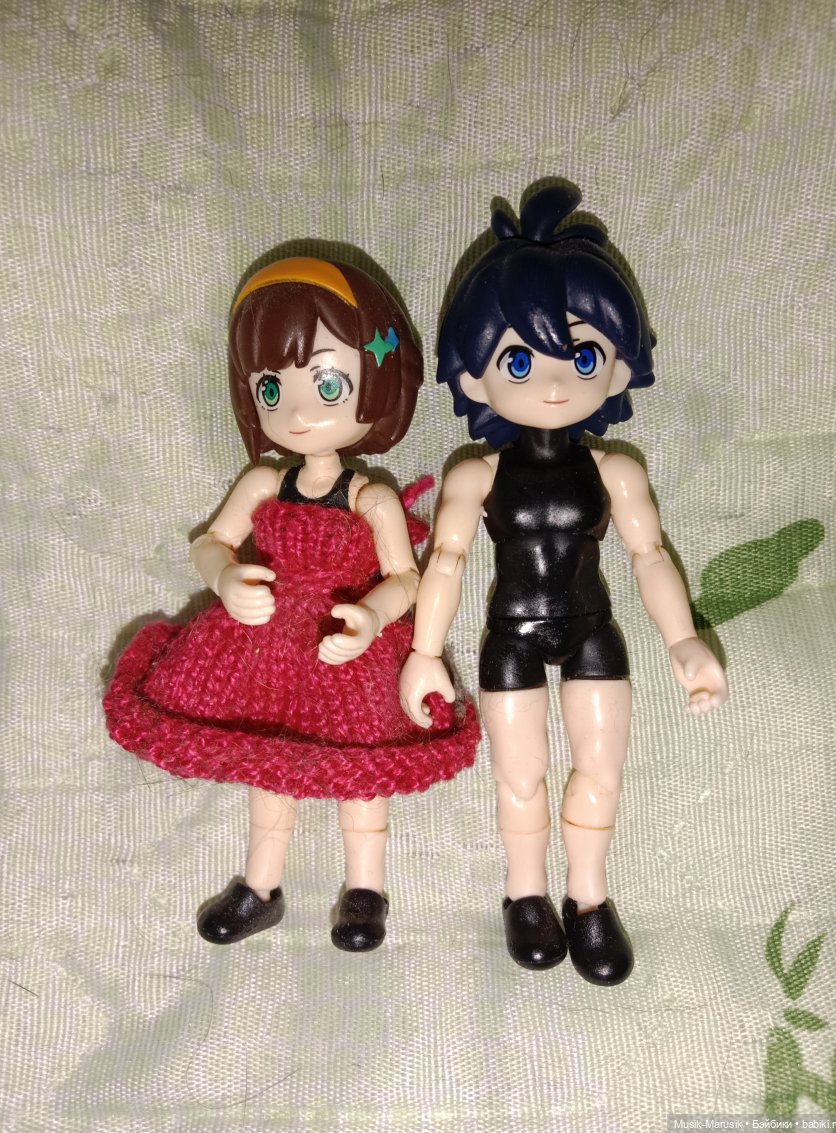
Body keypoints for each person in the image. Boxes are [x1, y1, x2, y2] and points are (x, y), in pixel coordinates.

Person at [399, 184, 728, 981]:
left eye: (581, 357)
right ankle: (525, 894)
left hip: (590, 628)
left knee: (600, 769)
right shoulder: (476, 474)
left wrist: (683, 639)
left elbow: (651, 557)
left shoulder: (615, 469)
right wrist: (424, 652)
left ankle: (588, 895)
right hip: (510, 635)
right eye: (518, 360)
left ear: (616, 368)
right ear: (475, 378)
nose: (552, 383)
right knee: (521, 776)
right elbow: (445, 562)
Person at [105, 256, 478, 952]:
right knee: (265, 762)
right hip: (265, 648)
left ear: (377, 386)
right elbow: (211, 542)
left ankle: (365, 890)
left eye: (328, 384)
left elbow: (407, 577)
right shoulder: (263, 483)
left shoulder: (369, 498)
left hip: (347, 651)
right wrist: (225, 578)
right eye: (273, 389)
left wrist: (372, 615)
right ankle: (261, 886)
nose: (300, 413)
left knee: (362, 767)